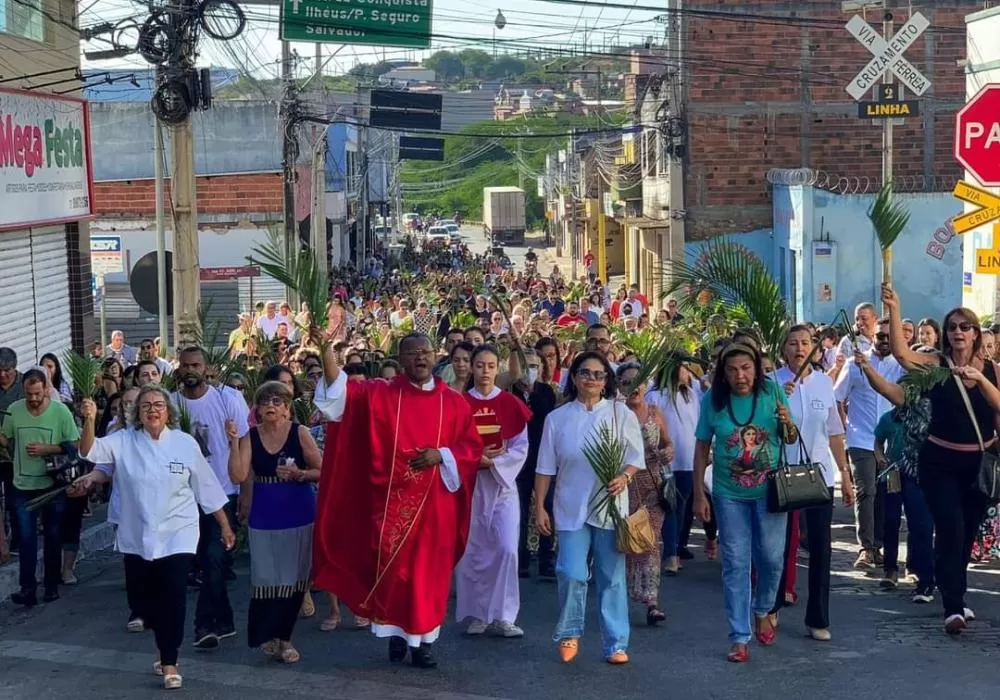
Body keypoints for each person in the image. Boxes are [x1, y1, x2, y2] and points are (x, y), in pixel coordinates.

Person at [312, 332, 484, 669]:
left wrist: (442, 455)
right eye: (412, 352)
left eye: (425, 351)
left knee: (428, 578)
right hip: (390, 508)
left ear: (435, 356)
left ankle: (424, 644)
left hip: (435, 508)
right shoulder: (381, 394)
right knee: (397, 576)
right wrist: (326, 351)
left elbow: (471, 447)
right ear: (401, 359)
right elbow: (340, 395)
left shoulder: (453, 402)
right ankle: (397, 634)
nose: (420, 357)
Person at [71, 385, 235, 690]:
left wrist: (224, 525)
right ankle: (163, 643)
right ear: (138, 413)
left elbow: (207, 487)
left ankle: (170, 660)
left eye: (158, 404)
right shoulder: (124, 440)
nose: (152, 410)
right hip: (137, 533)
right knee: (145, 599)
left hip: (179, 532)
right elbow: (88, 451)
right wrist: (90, 419)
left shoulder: (184, 443)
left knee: (174, 595)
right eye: (146, 406)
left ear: (168, 411)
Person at [882, 285, 1000, 634]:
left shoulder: (992, 370)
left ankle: (955, 592)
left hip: (979, 466)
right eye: (952, 327)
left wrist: (979, 379)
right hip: (940, 463)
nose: (958, 332)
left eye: (965, 326)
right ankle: (953, 607)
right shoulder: (936, 365)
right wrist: (895, 307)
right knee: (951, 528)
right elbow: (902, 355)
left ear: (976, 334)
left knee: (965, 536)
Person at [535, 351, 645, 665]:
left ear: (607, 380)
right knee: (571, 572)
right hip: (570, 507)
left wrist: (624, 477)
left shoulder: (619, 413)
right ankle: (570, 631)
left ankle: (616, 643)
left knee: (611, 577)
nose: (592, 379)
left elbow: (635, 457)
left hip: (610, 506)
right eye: (585, 373)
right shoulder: (557, 418)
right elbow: (545, 468)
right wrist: (540, 507)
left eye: (599, 374)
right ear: (574, 377)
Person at [692, 341, 798, 663]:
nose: (740, 375)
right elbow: (702, 447)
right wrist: (699, 493)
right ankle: (739, 636)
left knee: (772, 558)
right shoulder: (713, 400)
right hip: (729, 494)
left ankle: (763, 608)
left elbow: (791, 438)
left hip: (770, 492)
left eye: (746, 368)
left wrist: (787, 422)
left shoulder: (772, 393)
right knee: (736, 563)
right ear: (723, 374)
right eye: (733, 370)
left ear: (757, 369)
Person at [227, 381, 322, 663]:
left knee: (294, 578)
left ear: (287, 408)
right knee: (266, 577)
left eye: (277, 401)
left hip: (298, 510)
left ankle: (285, 638)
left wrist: (300, 474)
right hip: (265, 511)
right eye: (265, 401)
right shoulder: (250, 436)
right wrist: (233, 442)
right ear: (257, 409)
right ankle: (268, 633)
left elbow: (322, 469)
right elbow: (238, 475)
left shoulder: (299, 432)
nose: (270, 405)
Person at [769, 325, 853, 642]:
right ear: (784, 349)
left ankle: (818, 617)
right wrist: (778, 401)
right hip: (780, 473)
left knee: (820, 548)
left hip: (818, 475)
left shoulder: (823, 383)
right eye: (793, 343)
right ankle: (771, 605)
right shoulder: (772, 383)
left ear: (815, 349)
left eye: (805, 343)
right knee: (777, 545)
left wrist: (844, 474)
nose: (800, 349)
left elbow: (834, 432)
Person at [172, 346, 250, 651]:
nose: (190, 370)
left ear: (206, 368)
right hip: (185, 496)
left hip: (222, 493)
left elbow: (245, 442)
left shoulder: (227, 398)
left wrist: (246, 492)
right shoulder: (171, 404)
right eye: (185, 365)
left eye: (196, 365)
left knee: (216, 557)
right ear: (179, 369)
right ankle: (225, 620)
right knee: (204, 560)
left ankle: (204, 624)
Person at [455, 344, 531, 637]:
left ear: (498, 367)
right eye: (479, 365)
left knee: (507, 549)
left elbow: (521, 447)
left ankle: (504, 615)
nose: (485, 371)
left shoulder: (510, 403)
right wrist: (475, 458)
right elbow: (451, 445)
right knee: (475, 551)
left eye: (490, 366)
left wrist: (495, 462)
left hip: (502, 486)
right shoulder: (460, 404)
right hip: (472, 488)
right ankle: (479, 613)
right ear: (471, 368)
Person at [0, 368, 80, 606]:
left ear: (46, 389)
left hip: (52, 484)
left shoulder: (60, 412)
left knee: (53, 535)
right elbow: (7, 440)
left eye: (37, 393)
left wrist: (49, 449)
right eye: (29, 394)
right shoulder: (14, 410)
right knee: (26, 538)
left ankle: (51, 584)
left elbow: (75, 444)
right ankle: (27, 588)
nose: (33, 399)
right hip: (22, 484)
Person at [617, 362, 670, 625]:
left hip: (652, 484)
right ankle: (622, 596)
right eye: (626, 382)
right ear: (619, 386)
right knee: (627, 541)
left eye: (637, 381)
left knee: (651, 541)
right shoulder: (614, 414)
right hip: (623, 486)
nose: (633, 387)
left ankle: (652, 602)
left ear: (646, 384)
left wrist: (667, 452)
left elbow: (668, 443)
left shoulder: (654, 412)